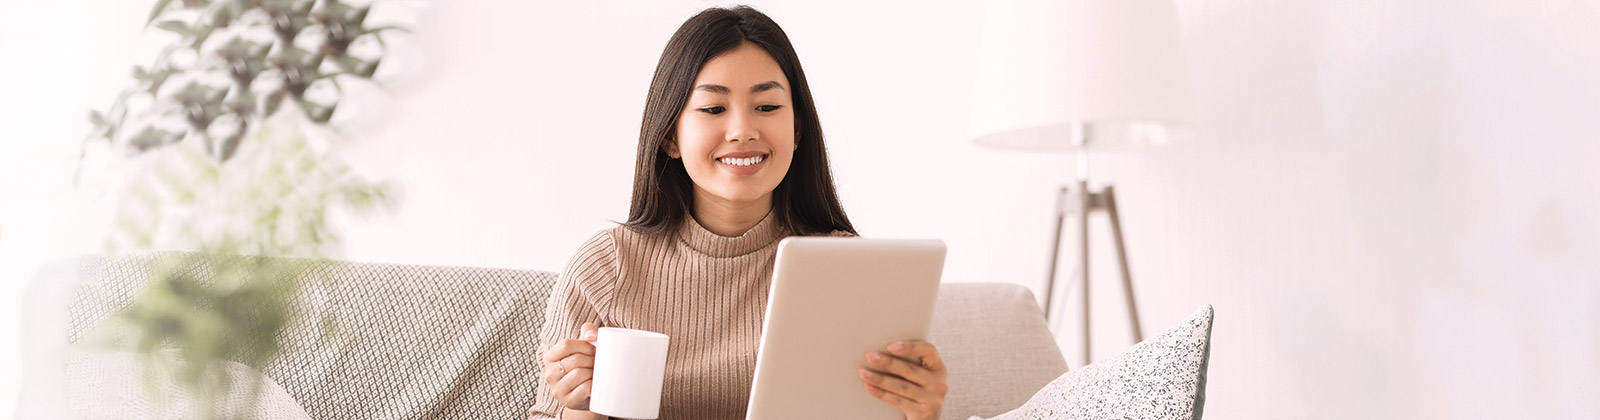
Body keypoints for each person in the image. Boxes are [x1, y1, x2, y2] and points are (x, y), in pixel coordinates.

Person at [528, 6, 948, 420]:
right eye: (713, 109)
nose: (743, 130)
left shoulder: (846, 266)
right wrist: (579, 407)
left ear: (797, 129)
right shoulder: (605, 267)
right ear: (671, 137)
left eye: (767, 107)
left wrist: (918, 415)